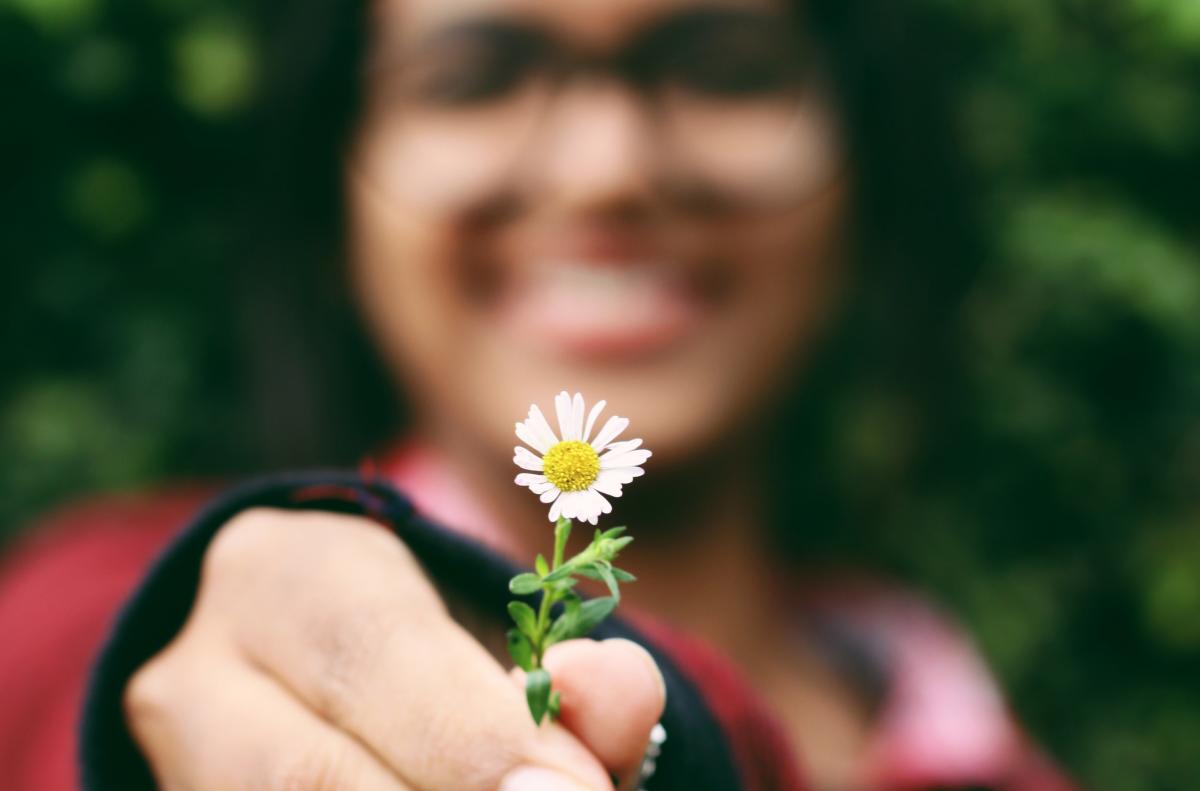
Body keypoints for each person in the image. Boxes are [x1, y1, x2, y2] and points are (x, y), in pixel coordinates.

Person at [0, 0, 1079, 789]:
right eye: (477, 77)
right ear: (335, 190)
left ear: (868, 167)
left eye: (723, 66)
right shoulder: (90, 619)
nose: (607, 169)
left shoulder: (1004, 758)